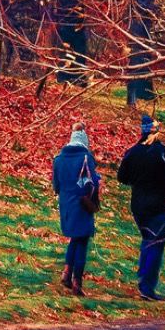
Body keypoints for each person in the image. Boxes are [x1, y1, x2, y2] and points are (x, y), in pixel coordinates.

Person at [117, 114, 165, 299]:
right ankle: (146, 285)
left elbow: (122, 177)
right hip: (159, 203)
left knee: (148, 239)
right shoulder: (164, 153)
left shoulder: (132, 152)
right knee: (156, 242)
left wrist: (137, 181)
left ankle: (143, 278)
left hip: (138, 203)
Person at [51, 122, 101, 295]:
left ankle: (66, 273)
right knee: (82, 240)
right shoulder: (86, 157)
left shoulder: (58, 159)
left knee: (75, 238)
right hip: (83, 203)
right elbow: (93, 182)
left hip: (66, 204)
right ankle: (77, 281)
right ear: (84, 141)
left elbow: (56, 186)